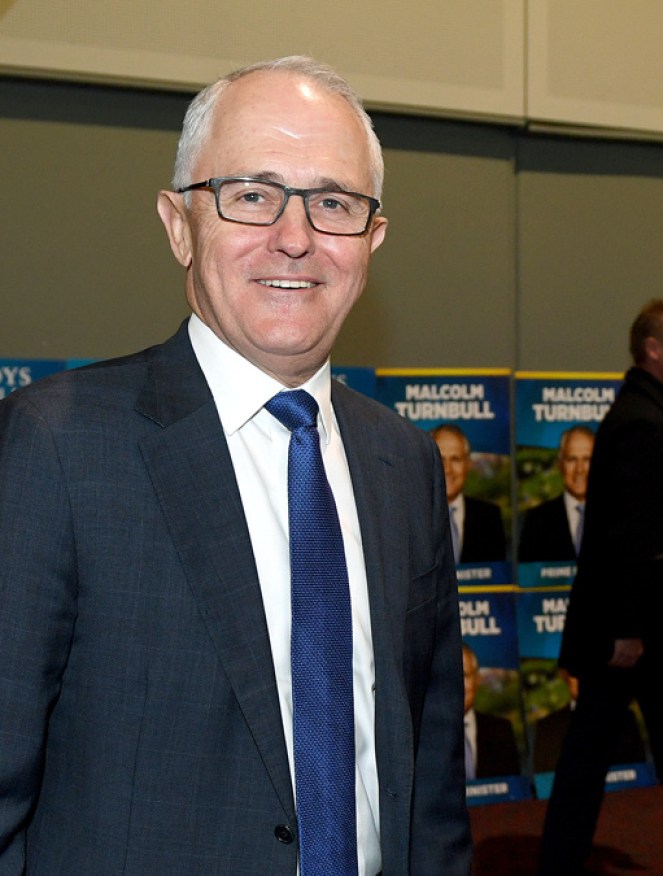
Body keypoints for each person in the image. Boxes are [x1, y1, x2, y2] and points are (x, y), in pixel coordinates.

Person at [0, 57, 472, 873]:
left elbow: (428, 777)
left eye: (333, 203)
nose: (295, 237)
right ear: (178, 224)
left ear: (372, 239)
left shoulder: (405, 465)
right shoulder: (57, 446)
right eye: (251, 194)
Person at [539, 299, 663, 875]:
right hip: (641, 637)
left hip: (642, 633)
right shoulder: (642, 422)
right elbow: (628, 538)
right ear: (653, 350)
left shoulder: (643, 413)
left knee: (605, 754)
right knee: (661, 755)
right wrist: (627, 629)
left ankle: (559, 862)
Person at [530, 668, 646, 774]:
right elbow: (544, 778)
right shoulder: (547, 726)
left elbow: (639, 772)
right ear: (566, 677)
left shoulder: (625, 718)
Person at [431, 423, 508, 563]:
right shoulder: (412, 518)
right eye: (440, 459)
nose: (447, 469)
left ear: (468, 464)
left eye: (455, 459)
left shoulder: (490, 518)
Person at [517, 424, 593, 563]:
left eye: (587, 460)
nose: (580, 469)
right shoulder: (536, 521)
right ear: (560, 465)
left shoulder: (615, 517)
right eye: (572, 460)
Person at [461, 643, 521, 780]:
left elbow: (514, 788)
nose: (457, 684)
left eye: (464, 675)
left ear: (476, 679)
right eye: (449, 677)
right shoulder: (426, 734)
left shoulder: (502, 730)